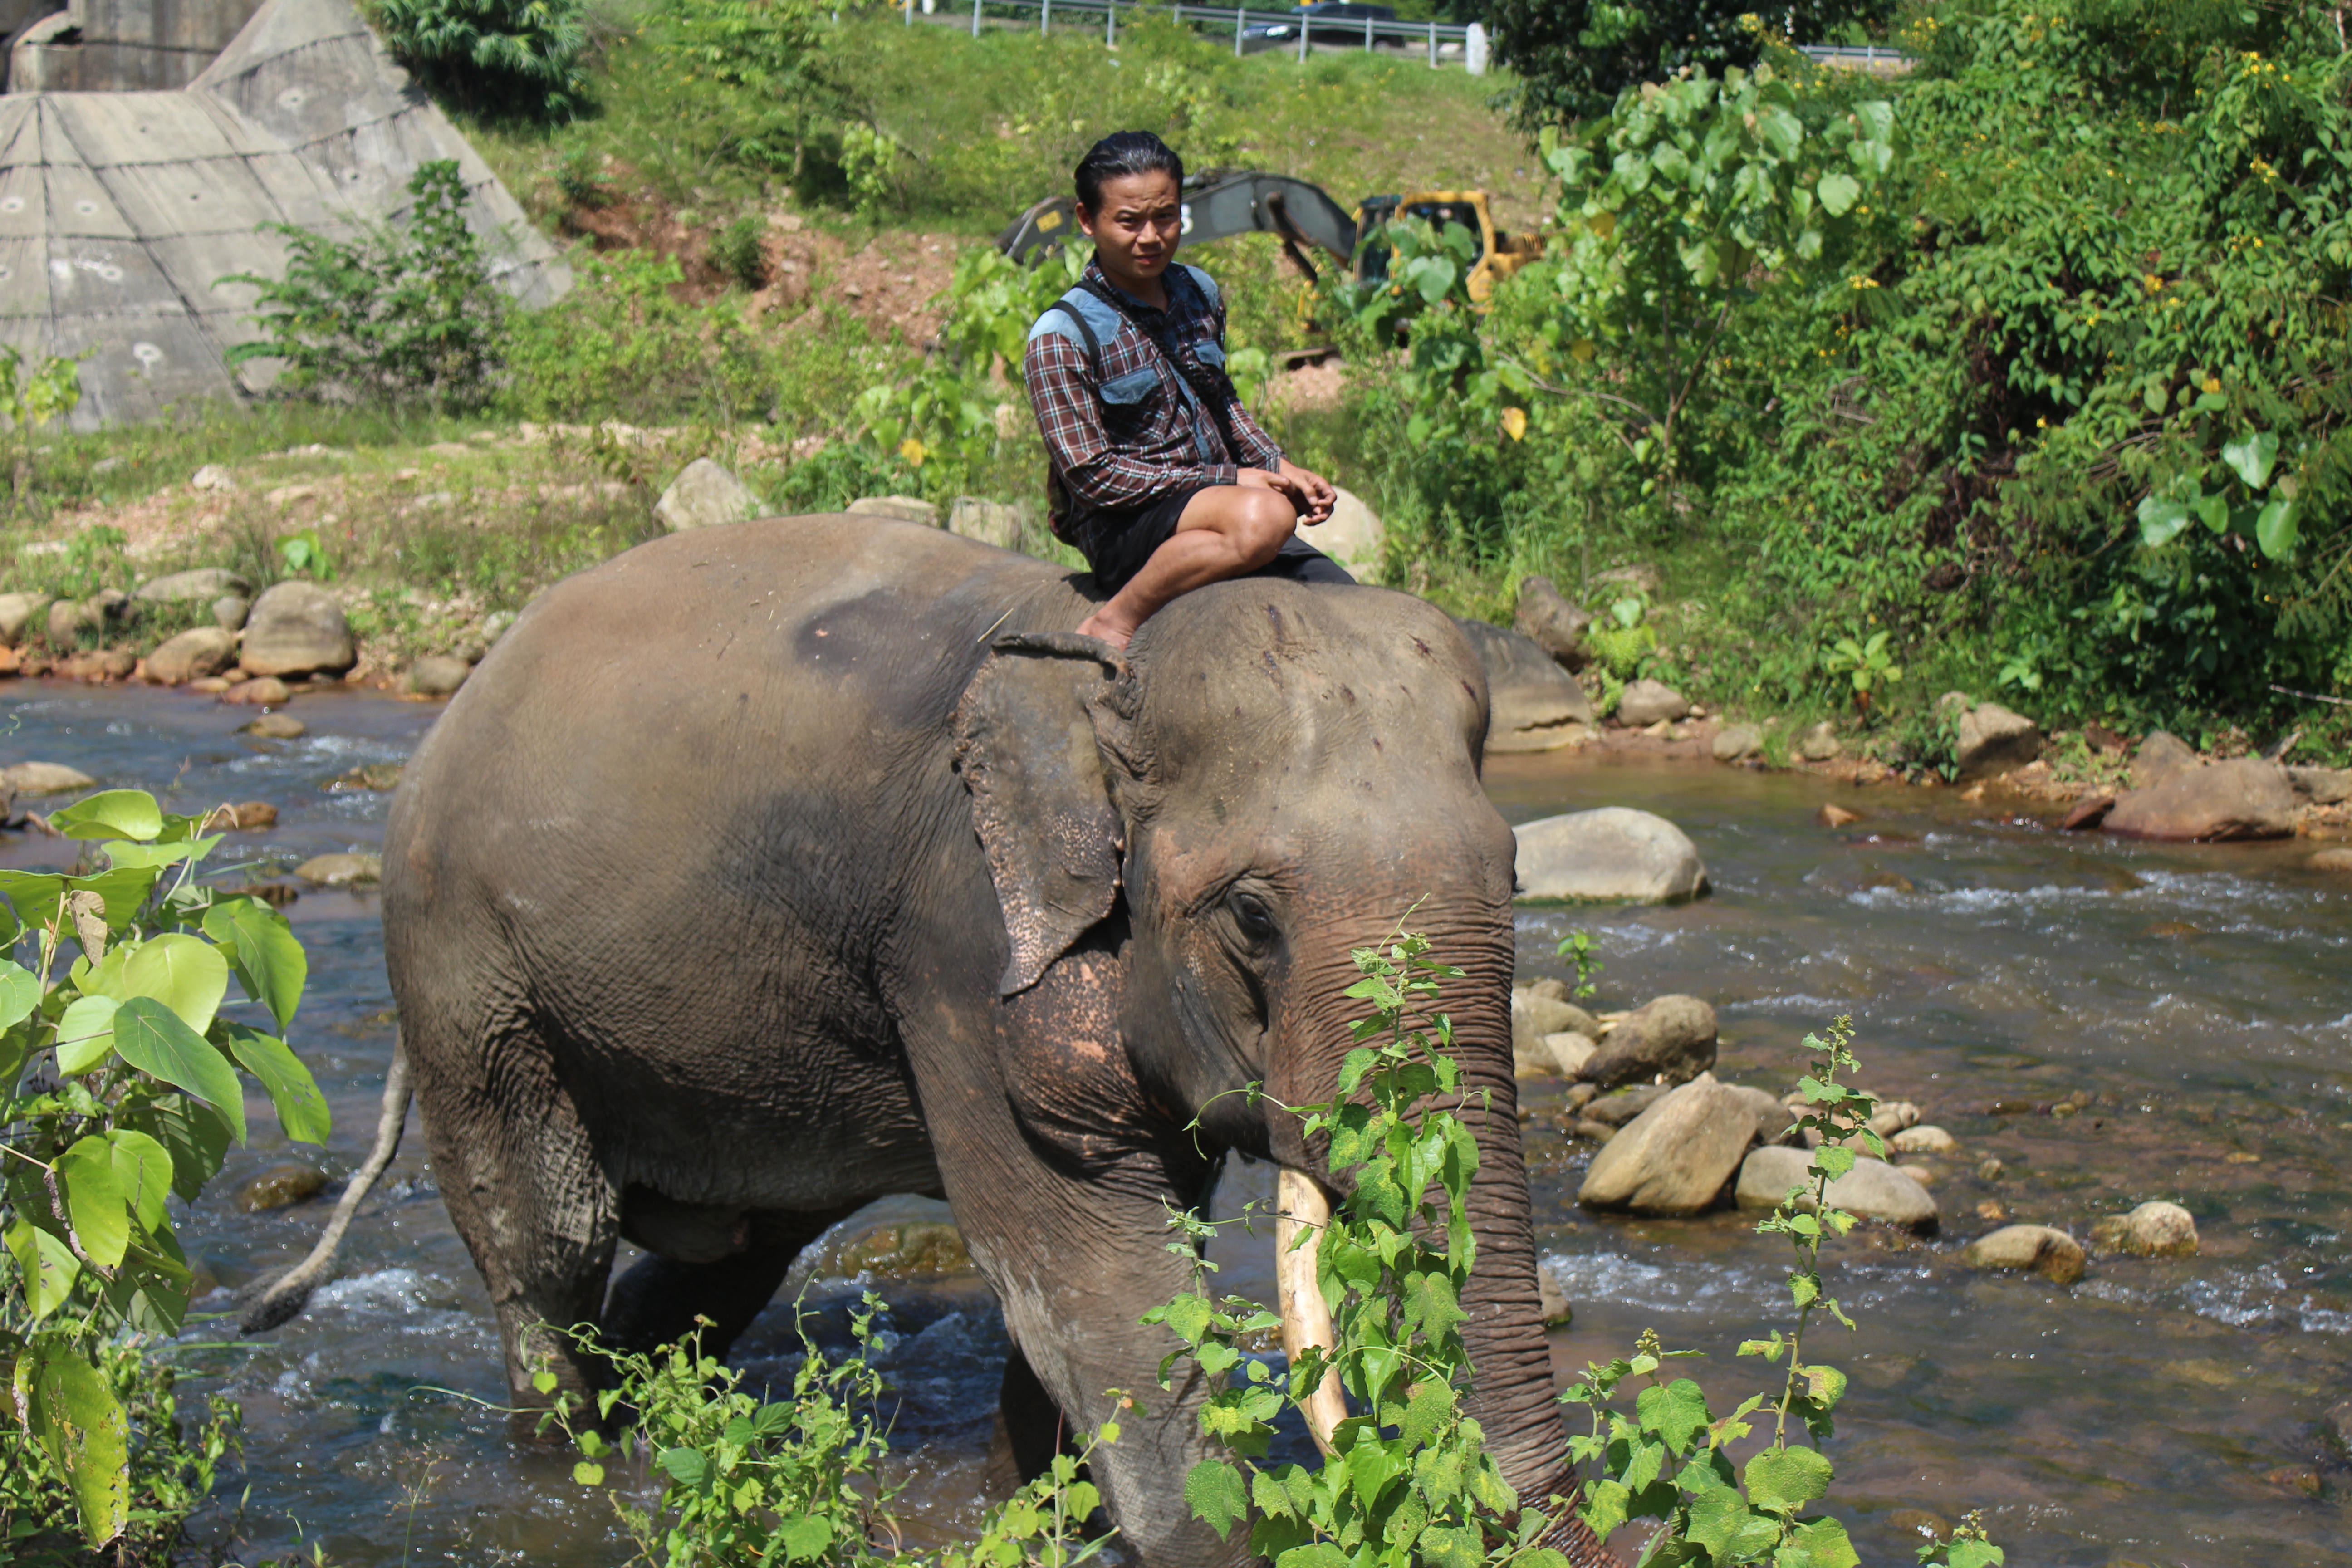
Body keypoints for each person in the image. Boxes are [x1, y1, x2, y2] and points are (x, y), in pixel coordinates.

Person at [1023, 131, 1353, 651]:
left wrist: (1277, 466)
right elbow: (1093, 477)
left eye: (1167, 217)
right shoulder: (1061, 337)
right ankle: (1115, 621)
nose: (1151, 237)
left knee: (1353, 610)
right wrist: (1234, 480)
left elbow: (1221, 402)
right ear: (1088, 221)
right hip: (1127, 522)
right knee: (1266, 516)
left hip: (1220, 507)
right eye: (1129, 222)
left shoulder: (1197, 293)